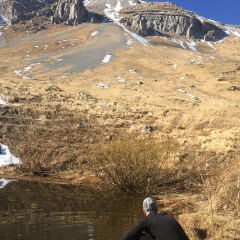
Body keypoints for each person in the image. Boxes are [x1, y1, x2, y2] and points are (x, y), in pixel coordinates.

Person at [121, 197, 189, 240]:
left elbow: (125, 238)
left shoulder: (147, 220)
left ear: (144, 212)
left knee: (137, 236)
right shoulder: (167, 216)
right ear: (156, 208)